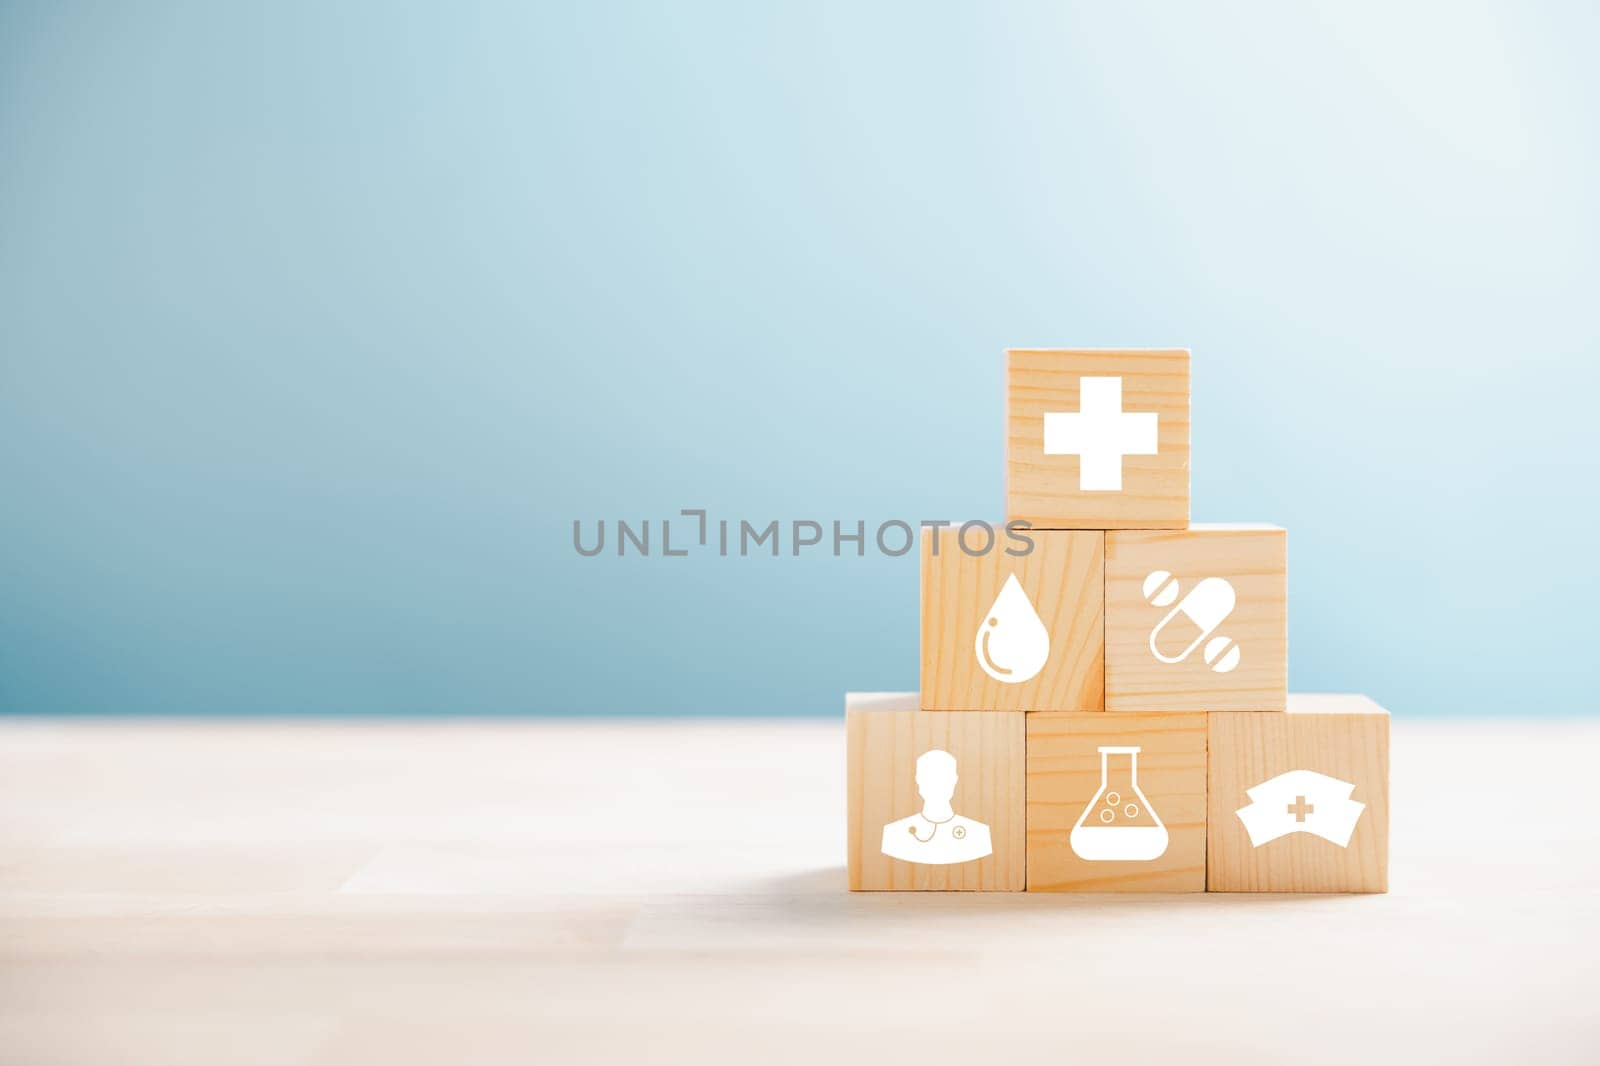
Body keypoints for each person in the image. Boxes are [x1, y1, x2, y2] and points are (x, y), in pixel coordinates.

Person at [880, 749, 992, 864]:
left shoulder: (978, 834)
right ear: (918, 779)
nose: (937, 784)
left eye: (943, 777)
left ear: (954, 780)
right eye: (930, 777)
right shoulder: (894, 834)